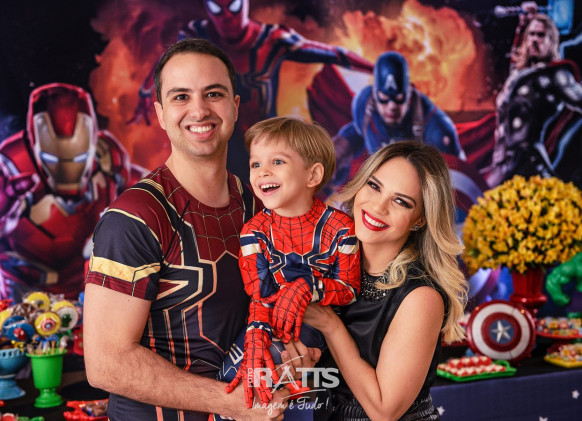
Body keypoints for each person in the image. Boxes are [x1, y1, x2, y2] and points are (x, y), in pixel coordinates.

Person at [83, 39, 319, 421]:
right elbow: (106, 364)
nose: (199, 110)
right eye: (181, 96)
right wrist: (229, 402)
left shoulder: (258, 206)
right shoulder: (135, 217)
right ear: (160, 113)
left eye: (214, 93)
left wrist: (292, 355)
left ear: (235, 106)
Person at [303, 140, 468, 420]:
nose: (378, 207)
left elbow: (384, 411)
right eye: (374, 186)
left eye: (401, 201)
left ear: (420, 219)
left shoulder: (421, 296)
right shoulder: (326, 259)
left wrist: (330, 326)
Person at [130, 0, 373, 184]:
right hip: (221, 146)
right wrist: (146, 90)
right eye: (216, 9)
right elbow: (170, 61)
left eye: (233, 7)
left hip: (264, 144)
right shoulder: (198, 34)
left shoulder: (273, 40)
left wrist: (377, 69)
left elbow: (334, 54)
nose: (226, 17)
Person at [216, 117, 360, 412]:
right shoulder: (253, 231)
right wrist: (256, 332)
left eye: (277, 162)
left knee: (270, 377)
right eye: (256, 164)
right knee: (232, 376)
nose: (262, 172)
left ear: (313, 175)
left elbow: (348, 289)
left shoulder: (341, 228)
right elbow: (260, 294)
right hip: (267, 320)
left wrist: (307, 287)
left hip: (317, 327)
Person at [0, 83, 145, 301]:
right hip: (21, 294)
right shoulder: (12, 168)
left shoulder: (108, 161)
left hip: (87, 293)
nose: (67, 172)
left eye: (79, 159)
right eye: (52, 160)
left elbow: (154, 194)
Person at [324, 51, 465, 198]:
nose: (391, 106)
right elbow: (358, 133)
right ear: (375, 94)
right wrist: (338, 152)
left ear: (409, 92)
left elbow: (458, 186)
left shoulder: (437, 131)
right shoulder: (364, 106)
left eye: (398, 97)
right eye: (384, 97)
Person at [487, 6, 582, 187]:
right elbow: (517, 64)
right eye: (531, 34)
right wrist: (522, 23)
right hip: (503, 166)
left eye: (541, 35)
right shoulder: (518, 76)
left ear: (551, 41)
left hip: (529, 166)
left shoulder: (556, 75)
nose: (534, 40)